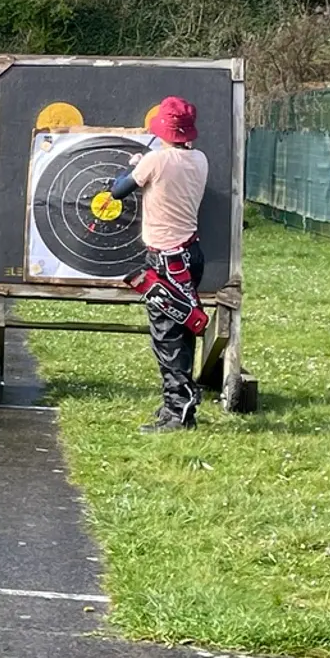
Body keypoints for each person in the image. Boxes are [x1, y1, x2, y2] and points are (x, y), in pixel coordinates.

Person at [108, 96, 210, 431]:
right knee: (184, 329)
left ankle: (178, 414)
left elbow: (119, 191)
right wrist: (146, 163)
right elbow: (168, 174)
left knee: (167, 336)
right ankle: (176, 407)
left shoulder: (155, 161)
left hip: (166, 259)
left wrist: (136, 165)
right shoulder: (200, 159)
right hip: (191, 255)